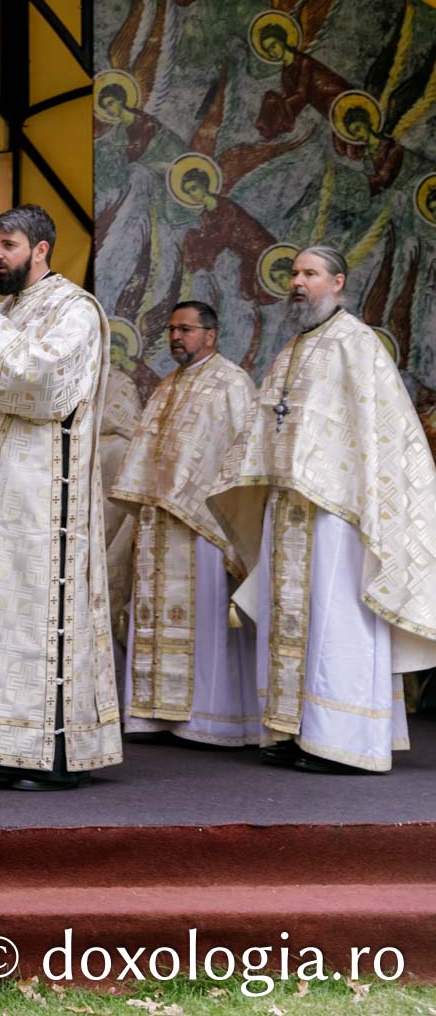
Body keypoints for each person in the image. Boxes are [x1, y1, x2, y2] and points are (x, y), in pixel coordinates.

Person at [208, 247, 436, 772]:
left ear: (338, 282)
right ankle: (293, 730)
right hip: (289, 504)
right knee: (291, 618)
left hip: (340, 509)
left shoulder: (357, 344)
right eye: (294, 273)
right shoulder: (292, 349)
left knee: (338, 619)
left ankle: (345, 740)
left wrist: (360, 493)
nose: (298, 282)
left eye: (310, 274)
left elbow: (383, 433)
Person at [0, 205, 121, 789]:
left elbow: (44, 389)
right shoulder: (6, 308)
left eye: (8, 244)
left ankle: (42, 750)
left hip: (41, 500)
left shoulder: (76, 310)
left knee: (27, 619)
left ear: (41, 250)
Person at [109, 301, 260, 746]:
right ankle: (154, 714)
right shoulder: (167, 385)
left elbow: (241, 455)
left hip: (204, 524)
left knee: (206, 617)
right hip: (160, 525)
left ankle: (207, 720)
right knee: (155, 616)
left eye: (186, 330)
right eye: (172, 330)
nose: (176, 337)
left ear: (210, 335)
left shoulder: (232, 383)